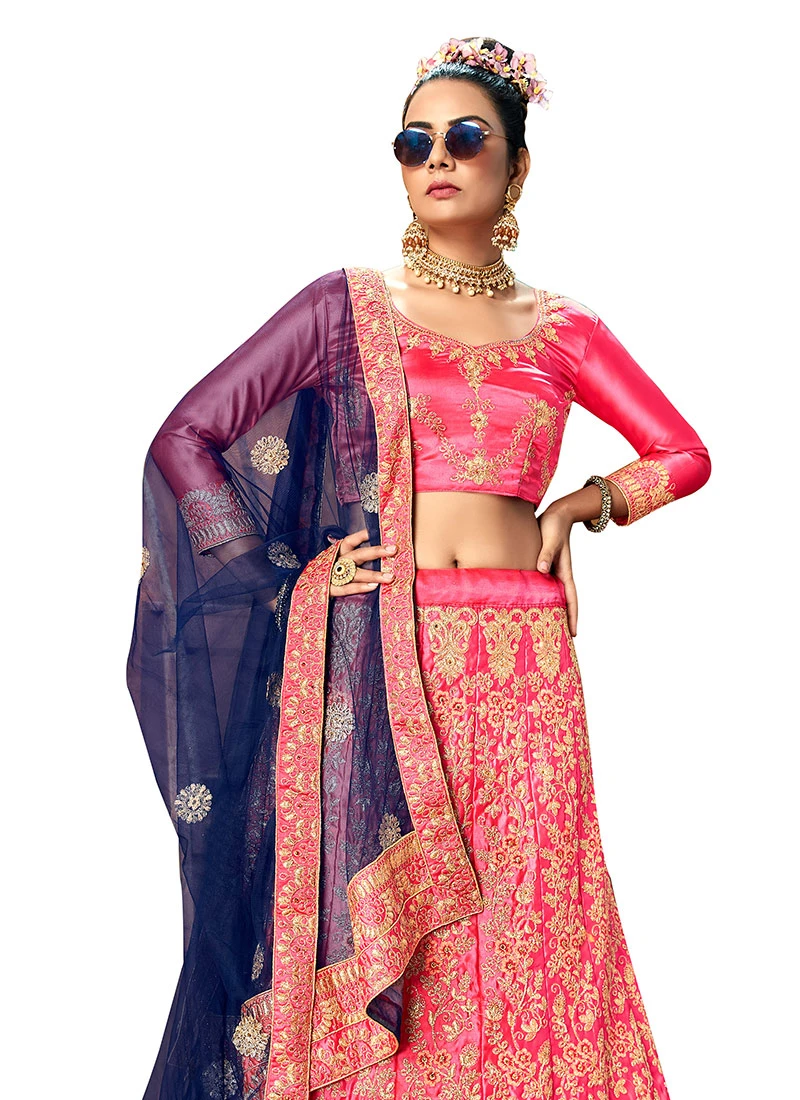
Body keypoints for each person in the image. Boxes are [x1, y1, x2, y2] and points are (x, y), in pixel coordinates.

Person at [127, 35, 710, 1100]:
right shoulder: (343, 306)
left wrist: (582, 505)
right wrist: (276, 574)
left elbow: (682, 453)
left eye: (464, 137)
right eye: (412, 140)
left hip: (526, 662)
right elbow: (185, 438)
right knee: (408, 933)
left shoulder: (566, 330)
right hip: (385, 659)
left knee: (533, 913)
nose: (435, 157)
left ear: (516, 165)